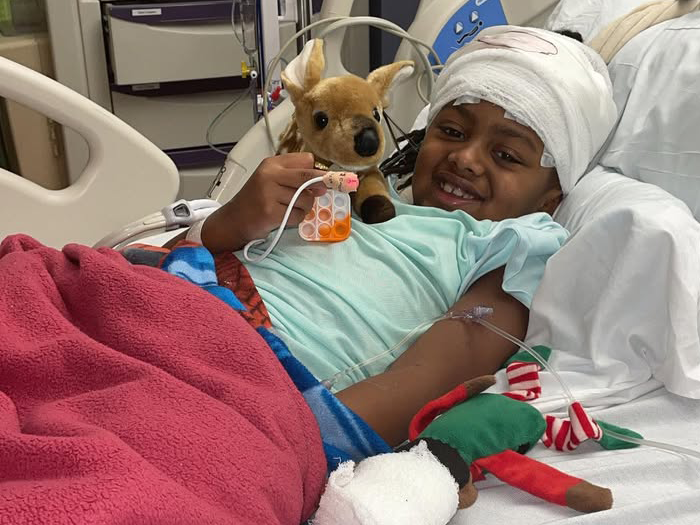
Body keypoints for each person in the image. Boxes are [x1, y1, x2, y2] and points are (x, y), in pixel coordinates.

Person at [171, 26, 617, 447]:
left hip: (253, 372)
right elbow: (170, 257)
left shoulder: (511, 242)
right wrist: (230, 222)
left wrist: (293, 445)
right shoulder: (354, 189)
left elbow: (431, 374)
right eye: (451, 132)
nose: (464, 158)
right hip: (183, 298)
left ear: (549, 200)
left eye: (506, 154)